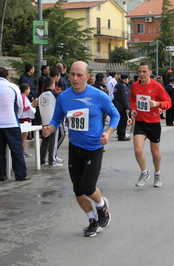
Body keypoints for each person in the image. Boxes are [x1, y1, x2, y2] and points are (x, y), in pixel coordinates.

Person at [42, 61, 120, 237]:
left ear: (87, 77)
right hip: (75, 148)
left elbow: (116, 115)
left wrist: (107, 133)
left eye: (79, 75)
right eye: (72, 74)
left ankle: (102, 206)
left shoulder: (98, 96)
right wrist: (51, 128)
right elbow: (57, 118)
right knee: (78, 190)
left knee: (88, 186)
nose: (75, 78)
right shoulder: (63, 97)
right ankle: (92, 221)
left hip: (93, 147)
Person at [130, 61, 172, 188]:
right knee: (137, 150)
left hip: (153, 122)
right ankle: (144, 173)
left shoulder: (157, 86)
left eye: (144, 71)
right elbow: (132, 99)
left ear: (150, 72)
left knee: (155, 152)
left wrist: (157, 104)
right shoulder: (135, 85)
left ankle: (157, 174)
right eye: (139, 72)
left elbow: (168, 102)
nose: (141, 74)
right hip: (140, 122)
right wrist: (133, 109)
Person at [0, 67, 31, 182]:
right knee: (16, 150)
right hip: (11, 122)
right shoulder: (14, 87)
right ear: (7, 77)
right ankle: (20, 174)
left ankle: (0, 174)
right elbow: (20, 106)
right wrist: (15, 116)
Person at [39, 77, 63, 167]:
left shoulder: (41, 95)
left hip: (44, 120)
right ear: (52, 85)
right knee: (53, 141)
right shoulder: (55, 95)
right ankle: (52, 161)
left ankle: (41, 160)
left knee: (45, 141)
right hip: (53, 121)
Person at [18, 83, 38, 158]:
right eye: (29, 89)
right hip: (24, 117)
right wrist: (31, 106)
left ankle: (24, 149)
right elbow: (24, 108)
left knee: (25, 134)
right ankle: (22, 149)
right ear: (25, 90)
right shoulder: (23, 97)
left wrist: (32, 104)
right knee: (24, 134)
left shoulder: (25, 97)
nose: (29, 91)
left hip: (26, 117)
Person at [113, 73, 131, 141]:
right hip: (122, 105)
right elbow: (124, 97)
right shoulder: (123, 86)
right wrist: (127, 107)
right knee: (123, 121)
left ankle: (119, 133)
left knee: (120, 121)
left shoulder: (117, 85)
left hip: (117, 104)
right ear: (126, 79)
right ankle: (122, 135)